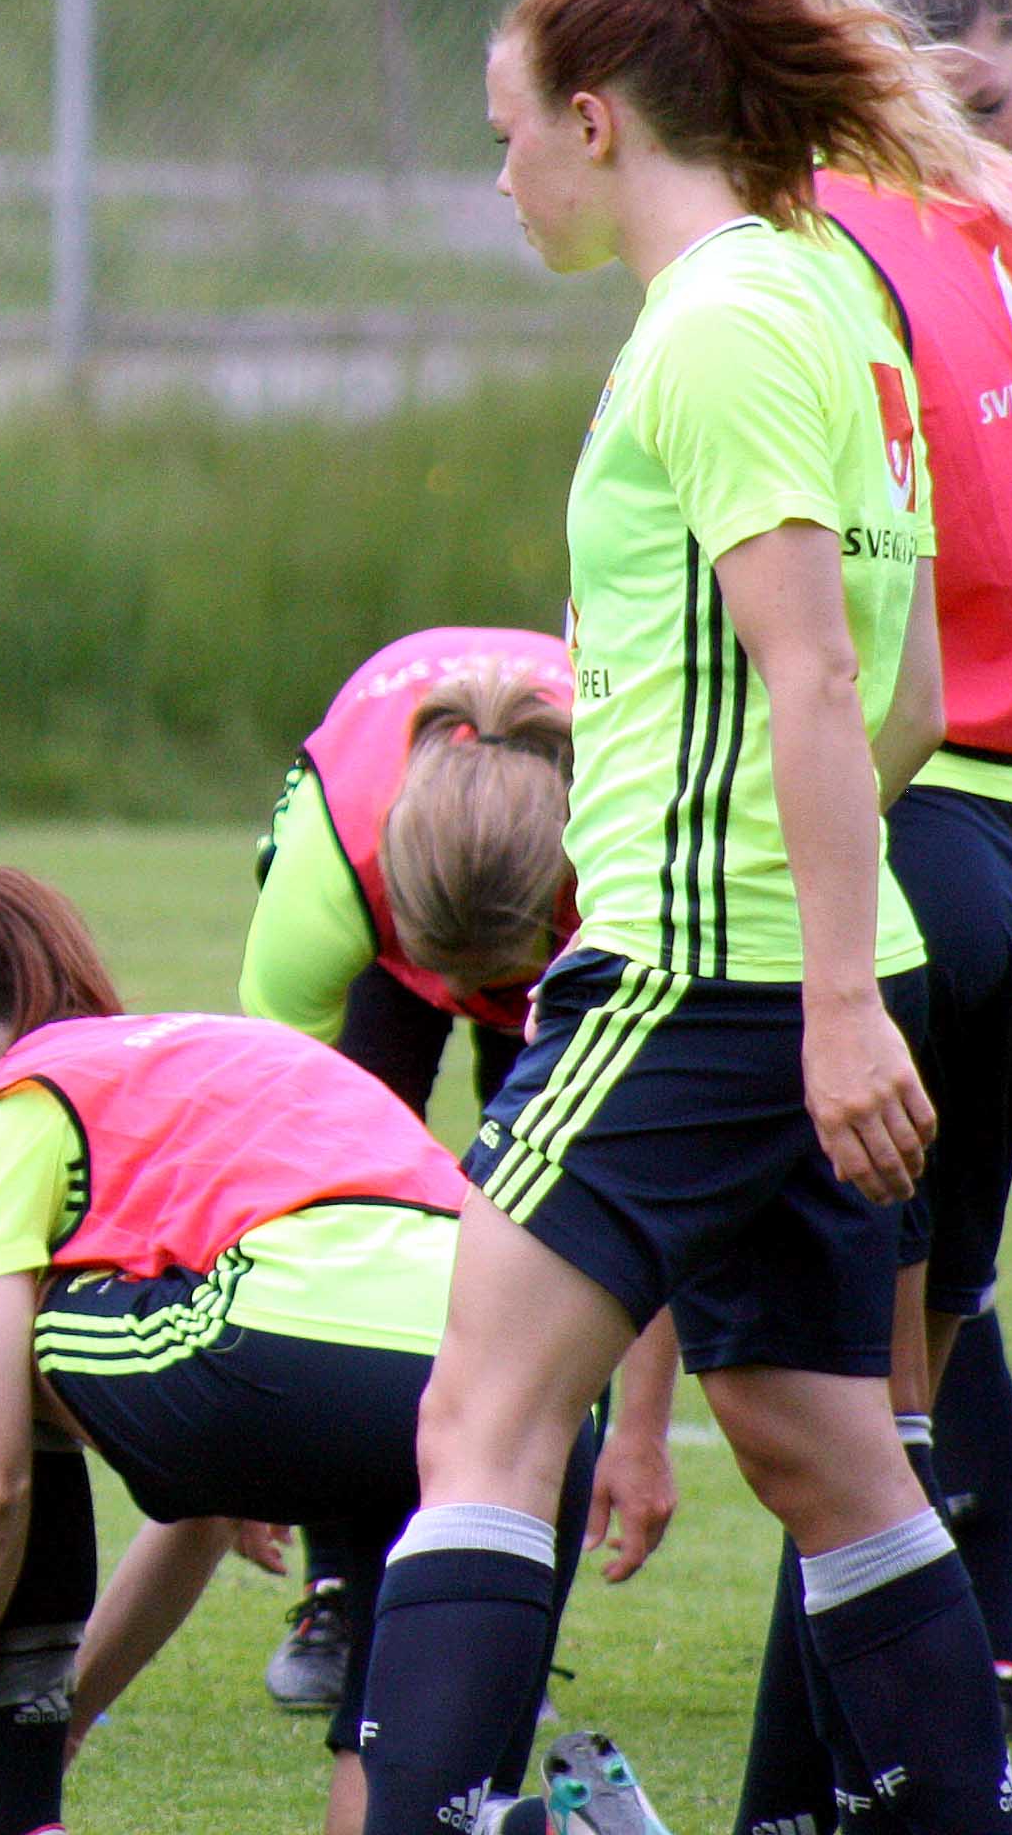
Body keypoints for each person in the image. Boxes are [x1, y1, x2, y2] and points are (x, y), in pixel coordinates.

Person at [351, 0, 1009, 1835]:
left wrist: (816, 992)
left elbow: (809, 673)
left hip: (695, 974)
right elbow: (909, 694)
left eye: (503, 133)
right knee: (822, 1445)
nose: (498, 176)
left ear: (592, 121)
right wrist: (836, 967)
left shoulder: (713, 320)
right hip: (801, 965)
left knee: (476, 1415)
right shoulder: (830, 291)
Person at [617, 0, 1012, 1834]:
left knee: (829, 1440)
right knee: (883, 1431)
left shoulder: (799, 245)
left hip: (905, 833)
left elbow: (819, 635)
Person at [0, 868, 605, 1835]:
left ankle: (19, 1812)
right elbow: (207, 1509)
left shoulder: (15, 1107)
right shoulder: (232, 1059)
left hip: (316, 1360)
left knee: (13, 1352)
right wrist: (78, 1714)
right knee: (414, 1807)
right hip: (530, 1401)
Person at [235, 634, 680, 1709]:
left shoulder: (638, 846)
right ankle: (341, 1585)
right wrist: (247, 1442)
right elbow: (275, 1177)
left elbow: (653, 1177)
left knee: (554, 1231)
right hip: (391, 889)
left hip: (575, 918)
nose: (465, 994)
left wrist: (642, 1431)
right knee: (347, 1211)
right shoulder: (327, 876)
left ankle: (507, 1592)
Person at [886, 0, 1012, 1739]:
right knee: (949, 1252)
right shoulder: (910, 253)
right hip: (984, 811)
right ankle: (989, 1632)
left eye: (992, 107)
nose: (974, 149)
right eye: (931, 116)